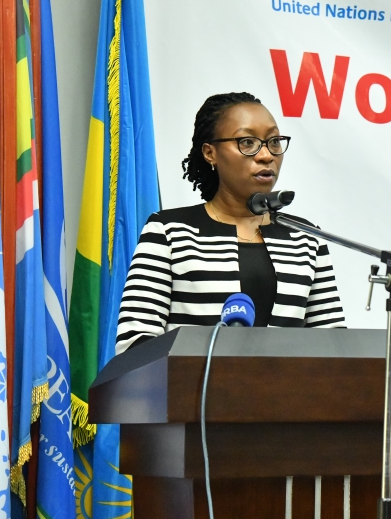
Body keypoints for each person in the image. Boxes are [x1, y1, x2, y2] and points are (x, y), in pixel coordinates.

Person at [114, 92, 346, 353]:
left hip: (286, 392)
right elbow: (134, 342)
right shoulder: (169, 232)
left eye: (274, 142)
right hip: (191, 392)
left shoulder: (305, 239)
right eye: (247, 142)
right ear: (210, 152)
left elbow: (334, 347)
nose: (266, 155)